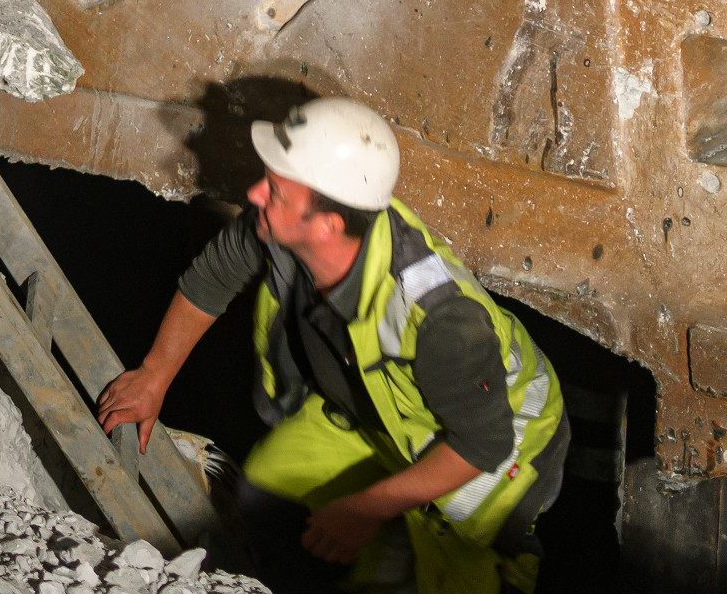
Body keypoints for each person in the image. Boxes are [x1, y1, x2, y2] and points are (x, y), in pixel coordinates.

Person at [98, 97, 566, 593]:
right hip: (376, 420)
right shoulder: (279, 230)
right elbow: (213, 276)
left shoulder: (441, 320)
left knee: (456, 570)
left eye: (275, 191)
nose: (255, 193)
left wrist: (367, 507)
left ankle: (493, 568)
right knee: (268, 493)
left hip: (491, 444)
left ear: (327, 224)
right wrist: (154, 374)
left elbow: (482, 444)